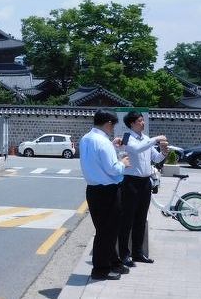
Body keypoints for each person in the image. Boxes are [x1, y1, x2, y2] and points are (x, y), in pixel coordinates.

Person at [79, 109, 131, 281]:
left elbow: (97, 160)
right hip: (108, 191)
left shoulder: (86, 138)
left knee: (105, 230)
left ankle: (113, 262)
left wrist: (112, 145)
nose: (113, 130)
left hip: (93, 190)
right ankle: (101, 269)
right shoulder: (103, 142)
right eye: (113, 126)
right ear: (108, 123)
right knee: (107, 232)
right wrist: (123, 163)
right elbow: (112, 168)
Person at [118, 111, 169, 267]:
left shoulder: (146, 139)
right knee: (127, 220)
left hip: (145, 182)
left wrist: (164, 152)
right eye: (140, 121)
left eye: (143, 120)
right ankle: (124, 254)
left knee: (141, 218)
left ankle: (138, 253)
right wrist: (156, 139)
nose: (143, 123)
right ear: (132, 123)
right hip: (131, 182)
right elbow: (137, 149)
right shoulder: (127, 137)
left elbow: (156, 158)